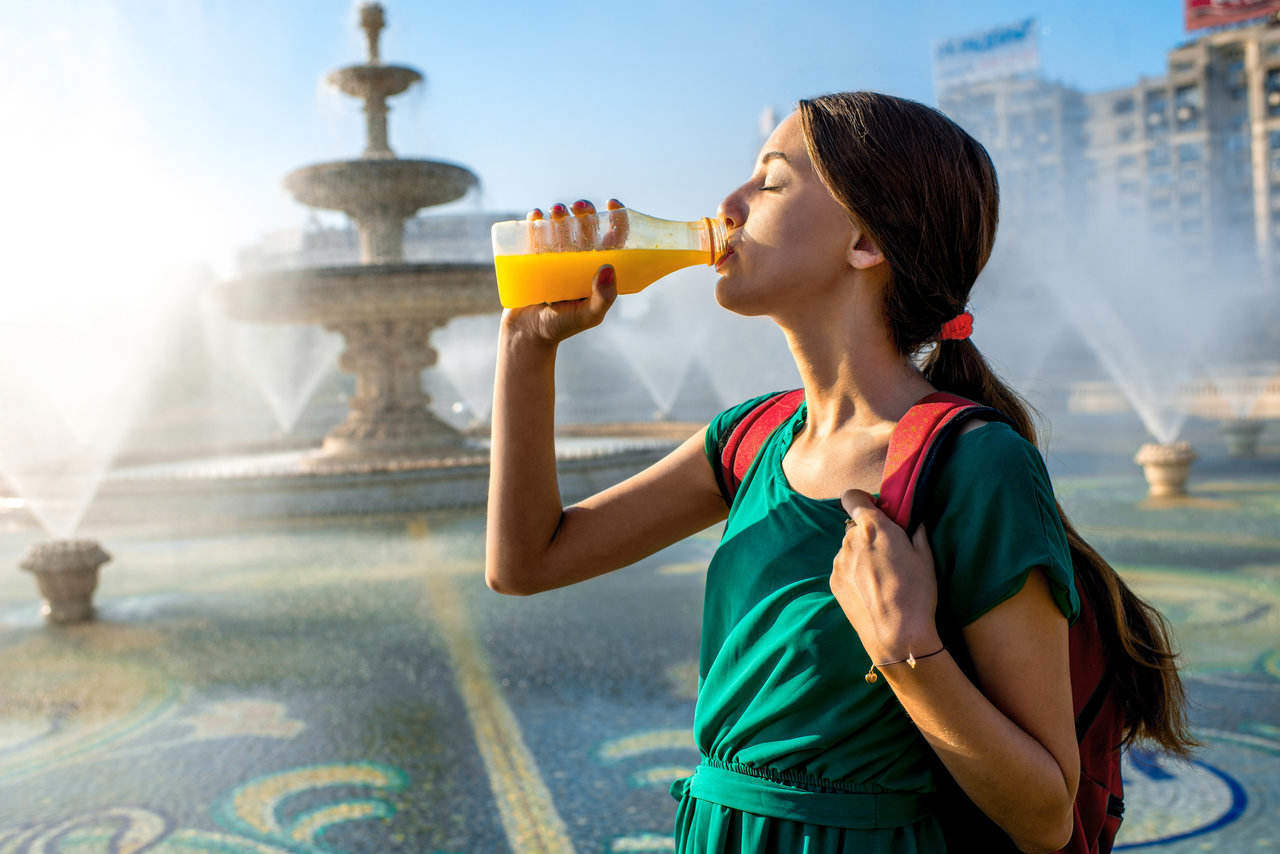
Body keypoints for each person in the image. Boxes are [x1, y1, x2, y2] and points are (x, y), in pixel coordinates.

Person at [485, 91, 1193, 853]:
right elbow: (527, 562)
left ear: (864, 242)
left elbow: (1047, 816)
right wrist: (528, 346)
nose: (727, 205)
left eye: (772, 181)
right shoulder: (749, 438)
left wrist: (907, 650)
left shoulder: (976, 464)